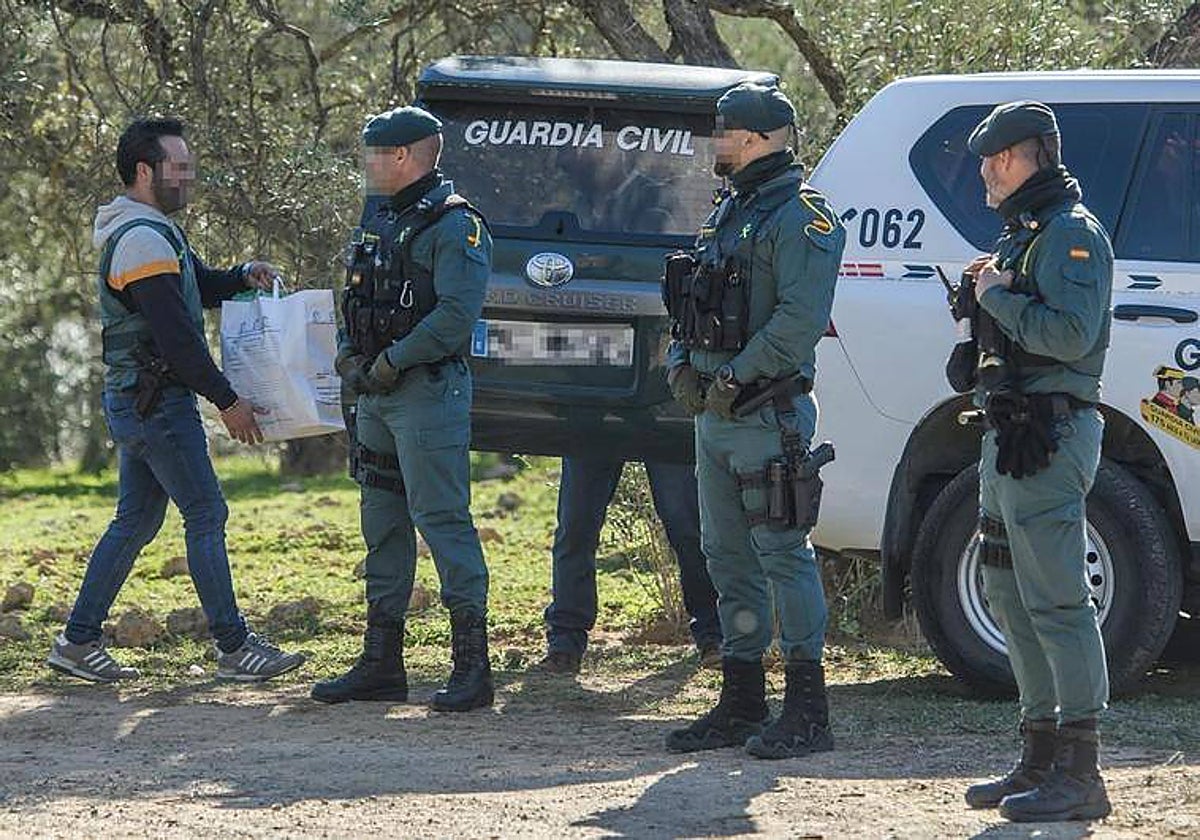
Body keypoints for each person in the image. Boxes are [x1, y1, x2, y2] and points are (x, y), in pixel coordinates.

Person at [47, 117, 305, 684]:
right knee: (206, 513)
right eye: (179, 167)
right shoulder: (141, 238)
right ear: (145, 171)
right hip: (158, 405)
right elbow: (177, 338)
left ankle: (77, 641)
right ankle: (234, 647)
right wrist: (227, 400)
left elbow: (195, 288)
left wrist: (241, 275)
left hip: (140, 402)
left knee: (137, 520)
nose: (189, 177)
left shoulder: (153, 230)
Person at [660, 82, 844, 760]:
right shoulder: (730, 209)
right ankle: (742, 700)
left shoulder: (802, 218)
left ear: (759, 137)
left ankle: (808, 711)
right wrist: (680, 365)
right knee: (726, 556)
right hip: (714, 414)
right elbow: (689, 302)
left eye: (726, 130)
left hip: (768, 413)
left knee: (784, 556)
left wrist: (734, 377)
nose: (717, 141)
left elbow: (798, 321)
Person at [954, 101, 1114, 823]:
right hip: (1012, 432)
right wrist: (984, 296)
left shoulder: (1071, 235)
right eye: (987, 160)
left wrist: (998, 297)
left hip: (1050, 435)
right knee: (1009, 593)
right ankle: (1040, 755)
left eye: (1004, 157)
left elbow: (1072, 336)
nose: (990, 171)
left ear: (1039, 157)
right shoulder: (1026, 234)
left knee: (1056, 600)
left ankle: (1082, 772)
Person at [311, 106, 494, 712]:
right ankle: (381, 663)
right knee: (382, 523)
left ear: (403, 156)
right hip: (376, 397)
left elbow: (455, 316)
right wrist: (348, 354)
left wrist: (391, 361)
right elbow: (354, 298)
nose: (366, 164)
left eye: (373, 153)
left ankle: (472, 666)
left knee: (442, 521)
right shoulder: (380, 218)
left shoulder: (455, 225)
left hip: (425, 394)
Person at [533, 456, 722, 674]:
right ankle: (564, 646)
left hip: (662, 435)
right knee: (576, 528)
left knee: (686, 527)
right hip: (592, 435)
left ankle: (713, 636)